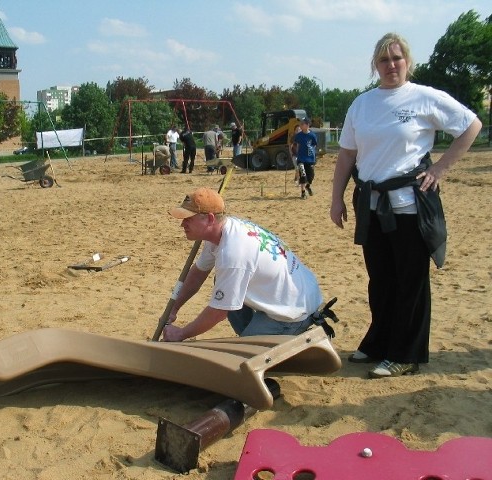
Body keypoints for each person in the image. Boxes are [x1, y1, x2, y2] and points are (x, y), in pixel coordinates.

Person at [330, 33, 481, 379]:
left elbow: (471, 125)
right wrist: (336, 197)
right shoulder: (362, 104)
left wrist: (440, 167)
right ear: (375, 65)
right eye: (384, 60)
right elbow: (347, 155)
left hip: (410, 203)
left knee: (410, 279)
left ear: (407, 62)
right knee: (380, 278)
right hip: (371, 202)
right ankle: (379, 342)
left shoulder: (424, 98)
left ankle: (405, 353)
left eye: (397, 58)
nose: (391, 65)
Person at [161, 187, 330, 342]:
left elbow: (218, 312)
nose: (182, 224)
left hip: (293, 311)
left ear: (210, 219)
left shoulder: (233, 252)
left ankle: (290, 335)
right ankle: (253, 335)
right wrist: (174, 308)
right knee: (224, 285)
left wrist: (181, 334)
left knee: (240, 360)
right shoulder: (222, 230)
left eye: (188, 219)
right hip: (291, 294)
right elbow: (198, 273)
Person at [292, 118, 318, 199]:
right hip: (301, 159)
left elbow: (314, 145)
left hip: (310, 159)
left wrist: (313, 156)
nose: (301, 125)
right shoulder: (298, 136)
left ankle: (308, 186)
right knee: (303, 175)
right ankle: (303, 193)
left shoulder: (312, 135)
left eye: (302, 124)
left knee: (311, 177)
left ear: (307, 125)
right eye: (300, 124)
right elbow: (295, 143)